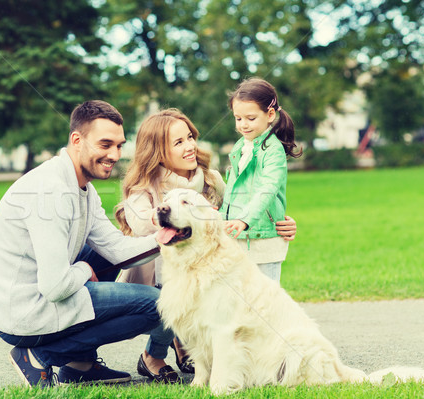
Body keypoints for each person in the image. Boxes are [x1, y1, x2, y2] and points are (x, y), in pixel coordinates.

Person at [0, 100, 164, 388]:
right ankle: (38, 356)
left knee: (102, 255)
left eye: (119, 145)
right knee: (156, 306)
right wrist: (81, 269)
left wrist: (166, 238)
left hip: (39, 295)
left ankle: (80, 366)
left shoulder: (84, 190)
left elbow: (116, 249)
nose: (114, 154)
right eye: (105, 144)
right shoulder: (50, 191)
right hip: (21, 313)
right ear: (77, 140)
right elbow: (55, 287)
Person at [114, 108, 297, 382]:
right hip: (158, 273)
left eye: (190, 137)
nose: (189, 146)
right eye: (178, 143)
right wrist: (171, 213)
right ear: (157, 152)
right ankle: (153, 355)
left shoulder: (210, 179)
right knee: (172, 298)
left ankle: (194, 346)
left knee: (215, 294)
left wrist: (278, 222)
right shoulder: (144, 187)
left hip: (202, 269)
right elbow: (140, 222)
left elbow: (240, 210)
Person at [220, 77, 303, 282]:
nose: (243, 125)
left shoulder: (272, 150)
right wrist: (222, 217)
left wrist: (243, 219)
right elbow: (232, 190)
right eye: (238, 119)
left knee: (266, 298)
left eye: (250, 118)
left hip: (264, 237)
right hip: (239, 236)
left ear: (270, 114)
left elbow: (268, 188)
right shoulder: (241, 146)